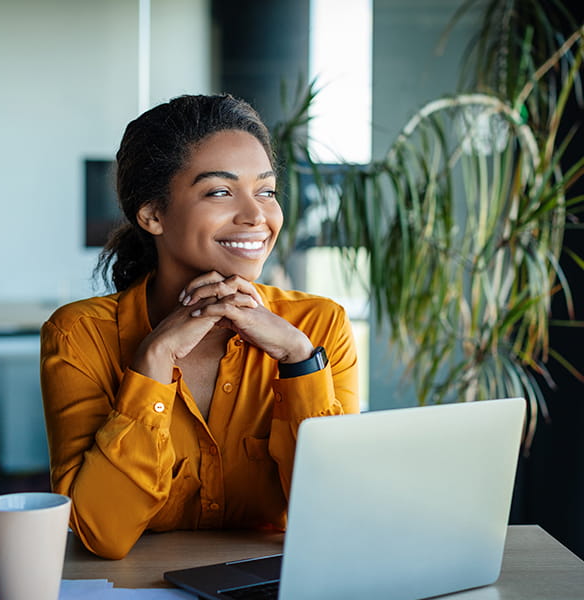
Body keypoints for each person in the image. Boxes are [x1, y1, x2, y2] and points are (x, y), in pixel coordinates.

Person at [40, 94, 359, 560]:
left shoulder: (316, 327)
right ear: (152, 215)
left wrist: (299, 362)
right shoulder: (79, 335)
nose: (257, 216)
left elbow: (339, 517)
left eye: (266, 191)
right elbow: (101, 533)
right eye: (220, 192)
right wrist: (152, 362)